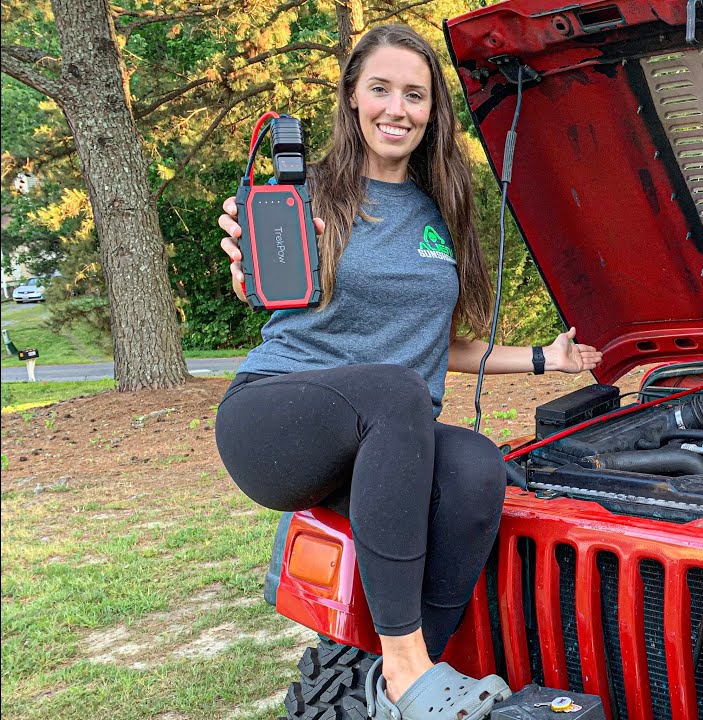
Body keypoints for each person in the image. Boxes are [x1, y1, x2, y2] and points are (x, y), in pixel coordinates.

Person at [213, 24, 601, 720]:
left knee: (477, 465)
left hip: (380, 438)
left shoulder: (437, 213)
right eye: (381, 89)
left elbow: (440, 343)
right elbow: (263, 282)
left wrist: (548, 357)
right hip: (276, 418)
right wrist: (251, 261)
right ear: (353, 99)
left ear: (432, 112)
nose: (398, 108)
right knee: (398, 392)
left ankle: (401, 688)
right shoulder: (309, 197)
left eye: (414, 94)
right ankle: (404, 665)